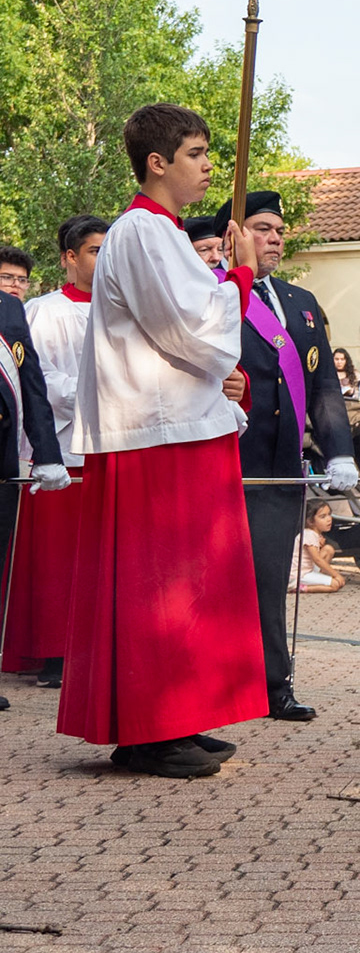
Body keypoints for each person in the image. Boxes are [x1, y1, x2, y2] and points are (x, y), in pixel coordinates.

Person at [64, 103, 264, 777]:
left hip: (173, 423)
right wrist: (238, 275)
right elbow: (188, 328)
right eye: (196, 153)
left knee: (189, 583)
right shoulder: (144, 232)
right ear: (158, 162)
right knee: (162, 585)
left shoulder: (162, 234)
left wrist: (223, 367)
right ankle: (149, 730)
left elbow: (186, 331)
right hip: (154, 434)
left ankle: (175, 716)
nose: (209, 166)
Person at [215, 189, 358, 723]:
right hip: (228, 458)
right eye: (261, 228)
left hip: (279, 467)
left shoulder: (300, 302)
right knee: (223, 577)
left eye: (278, 230)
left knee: (271, 579)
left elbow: (323, 386)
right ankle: (218, 684)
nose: (273, 238)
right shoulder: (215, 294)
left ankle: (274, 686)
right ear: (235, 235)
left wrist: (339, 452)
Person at [1, 216, 101, 689]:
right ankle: (56, 651)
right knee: (59, 557)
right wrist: (100, 398)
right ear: (69, 258)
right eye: (95, 251)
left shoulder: (120, 309)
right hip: (63, 444)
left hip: (110, 444)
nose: (104, 262)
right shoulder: (42, 310)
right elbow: (37, 378)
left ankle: (94, 645)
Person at [290, 498, 345, 594]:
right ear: (310, 521)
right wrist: (335, 575)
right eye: (323, 517)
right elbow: (317, 559)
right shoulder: (309, 534)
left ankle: (318, 578)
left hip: (308, 570)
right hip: (299, 574)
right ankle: (300, 588)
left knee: (328, 549)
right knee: (335, 584)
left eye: (329, 515)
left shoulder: (314, 534)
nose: (329, 519)